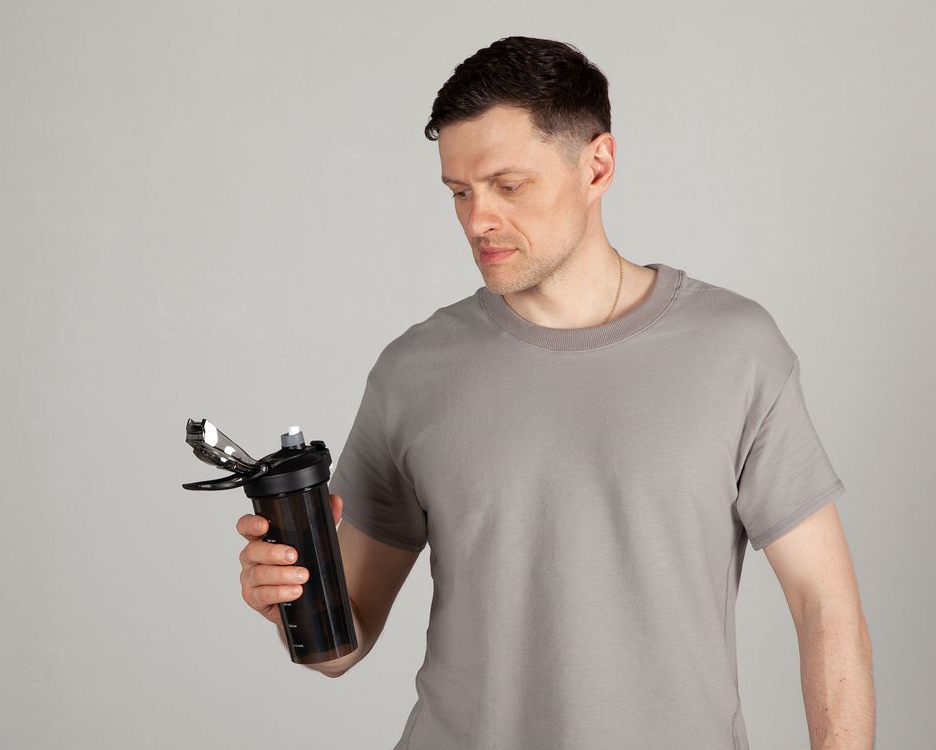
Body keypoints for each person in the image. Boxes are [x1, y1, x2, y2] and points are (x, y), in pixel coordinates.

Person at [236, 36, 875, 750]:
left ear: (597, 165)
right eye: (459, 192)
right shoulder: (412, 372)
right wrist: (290, 599)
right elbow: (340, 646)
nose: (477, 220)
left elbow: (825, 607)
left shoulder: (735, 351)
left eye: (508, 186)